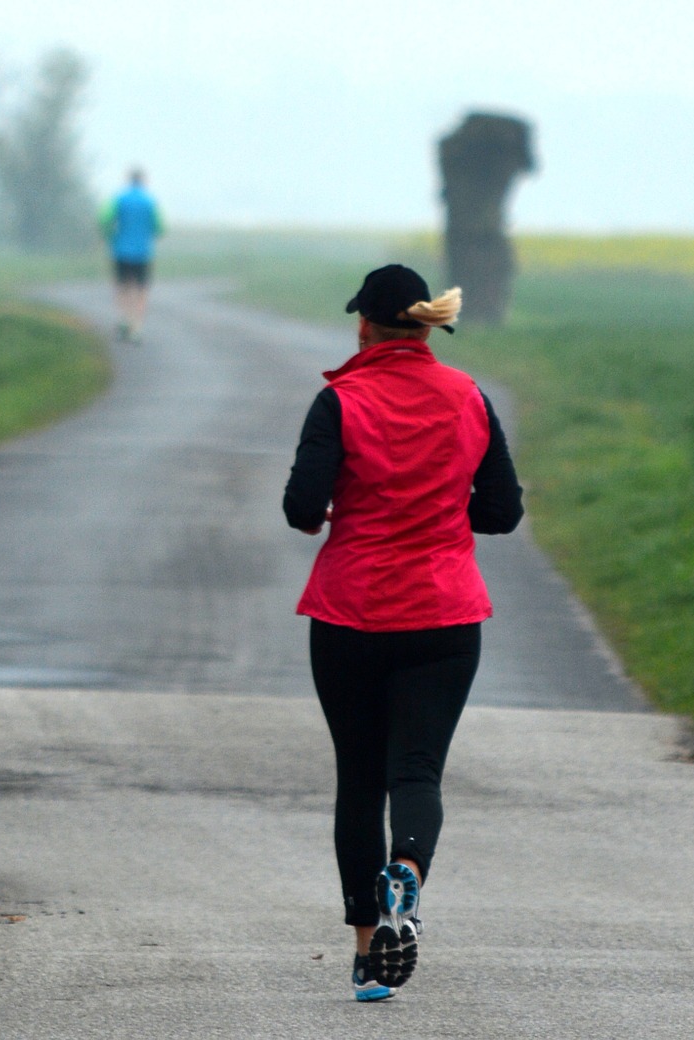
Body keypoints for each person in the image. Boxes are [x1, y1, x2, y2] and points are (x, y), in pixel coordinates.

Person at [283, 264, 524, 1003]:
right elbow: (504, 511)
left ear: (364, 325)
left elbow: (301, 508)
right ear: (424, 327)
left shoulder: (339, 401)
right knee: (415, 773)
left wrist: (342, 512)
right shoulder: (469, 398)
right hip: (445, 617)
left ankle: (365, 956)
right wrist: (448, 514)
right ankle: (408, 877)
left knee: (359, 780)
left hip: (351, 612)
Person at [99, 168, 165, 343]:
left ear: (129, 180)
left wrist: (109, 236)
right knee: (141, 290)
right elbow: (160, 227)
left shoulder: (119, 199)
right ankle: (137, 327)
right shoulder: (149, 202)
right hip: (143, 252)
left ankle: (124, 319)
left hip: (121, 250)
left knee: (123, 287)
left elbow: (105, 219)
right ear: (143, 181)